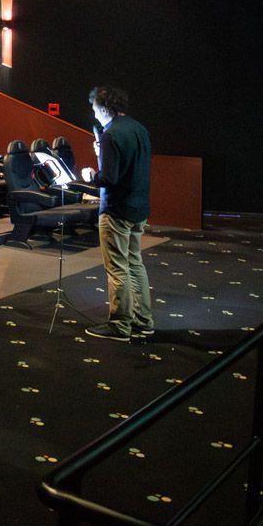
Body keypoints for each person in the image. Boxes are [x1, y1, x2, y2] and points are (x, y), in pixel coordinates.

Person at [80, 85, 155, 343]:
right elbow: (130, 166)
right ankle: (143, 322)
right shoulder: (139, 128)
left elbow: (108, 178)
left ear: (103, 107)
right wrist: (104, 154)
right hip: (139, 207)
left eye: (94, 109)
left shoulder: (110, 134)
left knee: (117, 268)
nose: (93, 115)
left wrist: (92, 174)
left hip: (116, 210)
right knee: (135, 263)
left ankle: (120, 324)